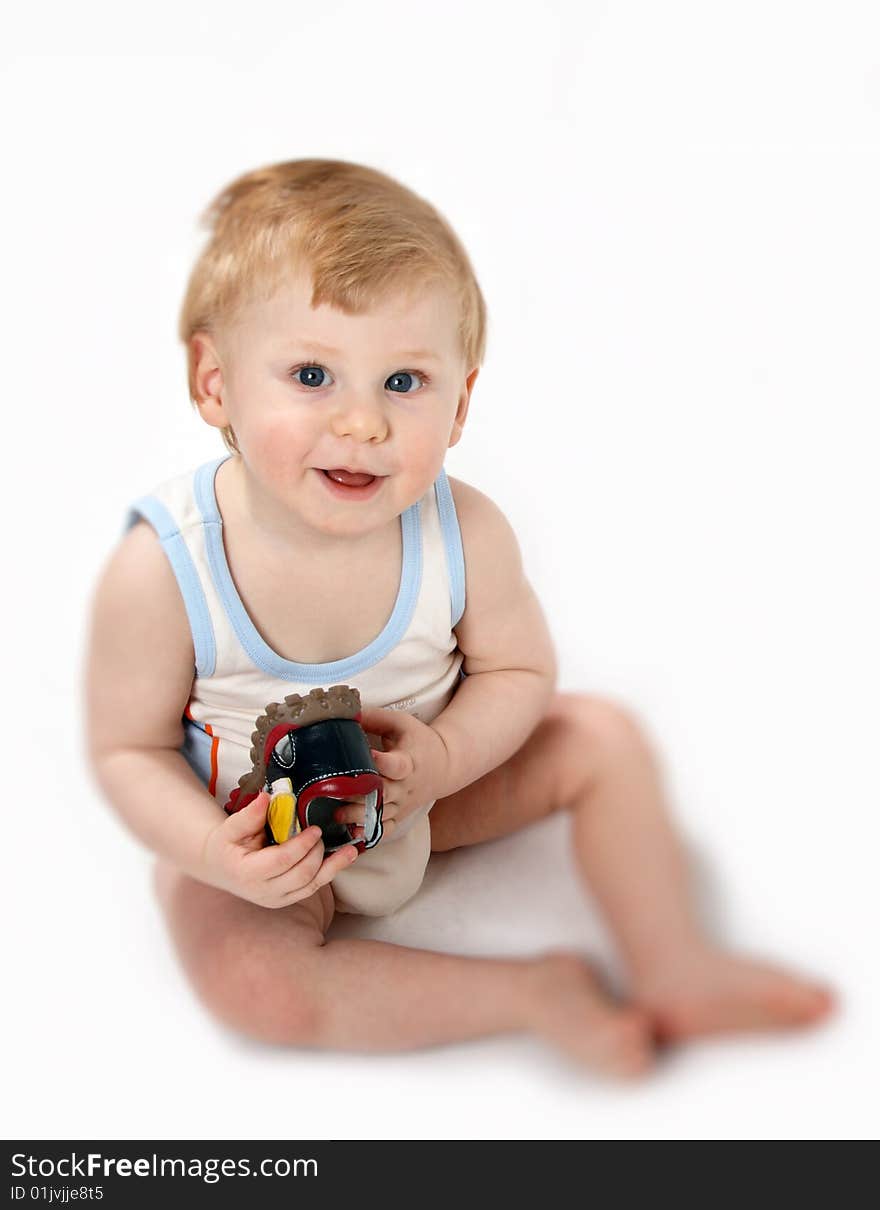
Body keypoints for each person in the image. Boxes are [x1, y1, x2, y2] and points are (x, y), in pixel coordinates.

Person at [84, 158, 834, 1076]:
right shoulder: (168, 564)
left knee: (599, 736)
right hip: (264, 842)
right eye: (313, 374)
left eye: (404, 383)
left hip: (430, 797)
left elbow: (518, 674)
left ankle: (676, 964)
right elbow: (129, 750)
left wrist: (444, 762)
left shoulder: (463, 531)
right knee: (254, 984)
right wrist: (212, 849)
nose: (362, 422)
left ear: (463, 401)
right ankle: (529, 994)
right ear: (215, 384)